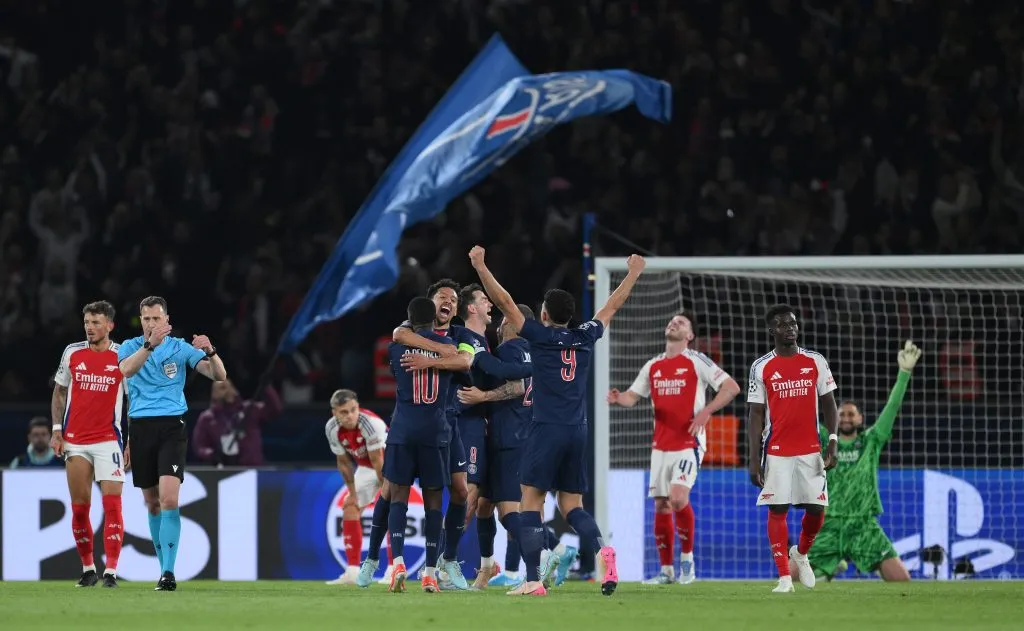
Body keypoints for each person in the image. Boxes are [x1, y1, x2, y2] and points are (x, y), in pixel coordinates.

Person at [469, 245, 646, 597]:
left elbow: (504, 301)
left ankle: (533, 579)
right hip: (578, 429)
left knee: (530, 501)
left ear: (545, 314)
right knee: (571, 505)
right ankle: (601, 551)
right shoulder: (586, 336)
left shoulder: (540, 336)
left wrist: (480, 265)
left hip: (546, 428)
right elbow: (612, 306)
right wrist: (633, 274)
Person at [607, 311, 741, 584]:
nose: (674, 323)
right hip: (660, 446)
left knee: (678, 498)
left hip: (688, 443)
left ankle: (687, 563)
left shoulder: (696, 361)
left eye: (681, 323)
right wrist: (618, 397)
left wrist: (707, 412)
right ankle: (666, 571)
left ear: (690, 336)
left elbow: (731, 387)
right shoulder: (653, 365)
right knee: (662, 505)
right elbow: (634, 397)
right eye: (672, 321)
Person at [117, 296, 227, 591]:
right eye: (146, 319)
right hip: (140, 427)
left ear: (167, 320)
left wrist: (211, 351)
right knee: (151, 503)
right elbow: (126, 371)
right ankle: (162, 565)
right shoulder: (129, 347)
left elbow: (219, 375)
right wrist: (149, 344)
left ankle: (168, 572)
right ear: (140, 320)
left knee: (169, 499)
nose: (151, 324)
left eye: (156, 319)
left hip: (171, 427)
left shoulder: (180, 348)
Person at [791, 341, 921, 583]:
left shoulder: (871, 441)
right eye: (842, 414)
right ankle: (827, 567)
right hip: (827, 523)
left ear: (860, 418)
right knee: (789, 577)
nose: (846, 417)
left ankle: (827, 570)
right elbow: (803, 411)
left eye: (851, 413)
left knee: (901, 580)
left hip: (862, 525)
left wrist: (904, 374)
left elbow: (892, 408)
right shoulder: (823, 439)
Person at [364, 296, 455, 593]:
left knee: (397, 496)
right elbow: (463, 366)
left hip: (403, 431)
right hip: (434, 433)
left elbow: (400, 334)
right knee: (433, 503)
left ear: (409, 318)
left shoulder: (396, 347)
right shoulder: (449, 350)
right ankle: (429, 573)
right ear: (434, 319)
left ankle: (398, 563)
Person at [747, 304, 839, 593]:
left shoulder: (815, 361)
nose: (790, 329)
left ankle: (800, 552)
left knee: (816, 509)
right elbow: (756, 415)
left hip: (811, 449)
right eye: (784, 325)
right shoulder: (761, 367)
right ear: (772, 330)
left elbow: (829, 404)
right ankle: (785, 577)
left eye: (794, 324)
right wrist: (752, 460)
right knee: (778, 508)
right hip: (776, 450)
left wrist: (833, 441)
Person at [393, 279, 474, 590]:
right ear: (431, 303)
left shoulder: (462, 334)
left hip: (449, 423)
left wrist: (429, 358)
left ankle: (448, 559)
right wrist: (442, 353)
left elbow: (465, 360)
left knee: (461, 492)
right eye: (443, 297)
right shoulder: (407, 327)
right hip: (419, 422)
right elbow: (399, 334)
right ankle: (379, 559)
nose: (449, 303)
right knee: (393, 490)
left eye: (454, 300)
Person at [457, 304, 536, 589]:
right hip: (519, 435)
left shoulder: (508, 350)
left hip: (508, 440)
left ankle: (547, 557)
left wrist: (481, 393)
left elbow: (514, 386)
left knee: (508, 513)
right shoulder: (534, 351)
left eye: (505, 320)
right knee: (484, 506)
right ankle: (487, 568)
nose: (500, 326)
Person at [49, 301, 126, 588]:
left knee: (113, 505)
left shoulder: (122, 355)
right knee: (81, 508)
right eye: (87, 322)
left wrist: (129, 442)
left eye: (96, 323)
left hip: (109, 441)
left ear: (110, 325)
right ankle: (88, 568)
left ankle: (112, 572)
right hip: (76, 442)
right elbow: (59, 392)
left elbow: (133, 402)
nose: (90, 328)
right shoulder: (73, 352)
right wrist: (57, 431)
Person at [323, 388, 395, 585]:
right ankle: (353, 571)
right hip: (366, 467)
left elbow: (379, 462)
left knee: (390, 510)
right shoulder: (332, 428)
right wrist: (353, 494)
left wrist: (385, 494)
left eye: (353, 410)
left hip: (390, 465)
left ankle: (392, 568)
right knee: (349, 506)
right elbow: (344, 463)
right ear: (334, 413)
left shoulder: (371, 424)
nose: (350, 416)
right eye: (344, 412)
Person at [192, 380, 282, 467]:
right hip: (226, 470)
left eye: (230, 386)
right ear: (214, 394)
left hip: (253, 468)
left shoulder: (249, 409)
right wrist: (213, 454)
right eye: (222, 388)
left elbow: (274, 410)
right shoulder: (207, 418)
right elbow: (199, 447)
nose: (227, 390)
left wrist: (267, 389)